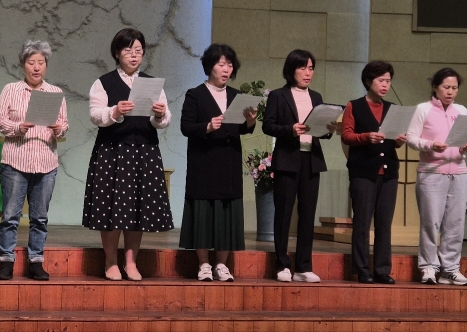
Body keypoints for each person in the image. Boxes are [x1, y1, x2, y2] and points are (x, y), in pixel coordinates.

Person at [82, 28, 174, 281]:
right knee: (111, 208)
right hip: (113, 151)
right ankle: (111, 261)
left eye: (138, 50)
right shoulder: (104, 82)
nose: (134, 55)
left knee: (138, 207)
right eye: (128, 50)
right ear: (117, 53)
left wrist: (159, 115)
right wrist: (114, 111)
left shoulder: (152, 83)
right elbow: (95, 115)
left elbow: (165, 119)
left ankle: (131, 262)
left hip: (144, 150)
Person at [179, 44, 256, 282]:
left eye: (230, 65)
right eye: (221, 64)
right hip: (204, 161)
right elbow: (186, 127)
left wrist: (250, 122)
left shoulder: (236, 96)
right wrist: (208, 126)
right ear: (209, 66)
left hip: (229, 161)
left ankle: (221, 265)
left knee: (227, 212)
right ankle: (203, 264)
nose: (226, 69)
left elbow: (242, 129)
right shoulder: (195, 94)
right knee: (203, 211)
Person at [0, 40, 68, 281]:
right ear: (23, 64)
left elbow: (64, 124)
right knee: (10, 216)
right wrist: (18, 127)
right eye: (31, 62)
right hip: (15, 161)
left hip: (46, 162)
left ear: (46, 65)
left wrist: (58, 128)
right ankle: (6, 260)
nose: (36, 67)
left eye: (41, 62)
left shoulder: (55, 93)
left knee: (40, 217)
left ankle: (36, 261)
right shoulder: (10, 90)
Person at [262, 49, 335, 283]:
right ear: (291, 70)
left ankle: (304, 266)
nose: (307, 73)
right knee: (283, 213)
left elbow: (320, 131)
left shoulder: (317, 97)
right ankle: (282, 264)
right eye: (303, 68)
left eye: (311, 68)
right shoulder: (278, 95)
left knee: (307, 214)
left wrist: (329, 130)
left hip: (311, 161)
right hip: (287, 159)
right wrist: (290, 130)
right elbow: (268, 126)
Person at [341, 61, 406, 284]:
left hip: (388, 172)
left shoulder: (392, 109)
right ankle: (362, 270)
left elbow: (393, 141)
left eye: (388, 81)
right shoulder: (354, 106)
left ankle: (382, 270)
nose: (385, 85)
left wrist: (399, 141)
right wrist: (366, 137)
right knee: (362, 223)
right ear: (369, 81)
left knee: (384, 224)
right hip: (363, 171)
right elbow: (346, 135)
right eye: (381, 80)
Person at [406, 68, 467, 286]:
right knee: (431, 222)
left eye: (454, 88)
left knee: (455, 224)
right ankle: (428, 267)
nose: (450, 92)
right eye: (446, 87)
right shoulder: (423, 109)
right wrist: (430, 145)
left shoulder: (461, 110)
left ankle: (450, 269)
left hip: (459, 172)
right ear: (435, 87)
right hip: (432, 172)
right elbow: (411, 138)